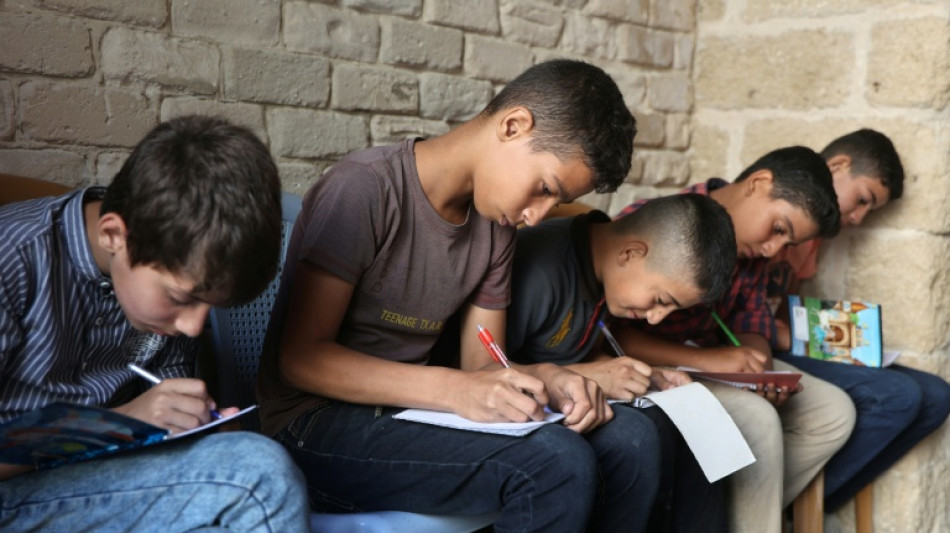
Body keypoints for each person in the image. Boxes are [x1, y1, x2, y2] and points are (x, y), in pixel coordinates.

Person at [255, 59, 655, 532]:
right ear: (513, 125)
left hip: (409, 410)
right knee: (553, 464)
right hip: (312, 424)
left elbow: (481, 365)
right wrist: (454, 391)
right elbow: (301, 360)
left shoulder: (495, 229)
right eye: (545, 189)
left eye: (554, 202)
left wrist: (552, 377)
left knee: (631, 438)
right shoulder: (365, 188)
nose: (537, 215)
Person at [0, 116, 309, 532]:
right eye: (182, 298)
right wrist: (123, 422)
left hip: (99, 478)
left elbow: (161, 418)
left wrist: (201, 427)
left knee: (242, 458)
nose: (194, 326)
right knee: (259, 477)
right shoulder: (13, 258)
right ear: (114, 235)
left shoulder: (167, 292)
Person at [611, 146, 857, 533]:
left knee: (834, 411)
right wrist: (716, 361)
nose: (774, 249)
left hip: (716, 364)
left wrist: (758, 365)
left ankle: (726, 513)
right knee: (758, 420)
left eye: (787, 244)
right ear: (758, 184)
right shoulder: (667, 223)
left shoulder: (753, 253)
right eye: (779, 229)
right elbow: (613, 336)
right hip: (659, 368)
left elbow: (752, 321)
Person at [506, 193, 738, 533]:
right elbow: (483, 370)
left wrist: (644, 375)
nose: (657, 319)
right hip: (515, 414)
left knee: (692, 419)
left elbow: (574, 350)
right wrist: (587, 374)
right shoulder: (540, 270)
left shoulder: (602, 271)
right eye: (661, 301)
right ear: (631, 253)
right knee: (637, 435)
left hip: (566, 400)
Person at [767, 128, 950, 511]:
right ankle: (778, 506)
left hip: (778, 341)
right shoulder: (774, 209)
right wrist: (782, 335)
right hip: (753, 346)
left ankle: (814, 501)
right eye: (863, 199)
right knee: (896, 396)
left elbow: (784, 307)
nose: (859, 216)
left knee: (936, 395)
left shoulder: (814, 238)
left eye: (871, 210)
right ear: (837, 165)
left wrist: (832, 337)